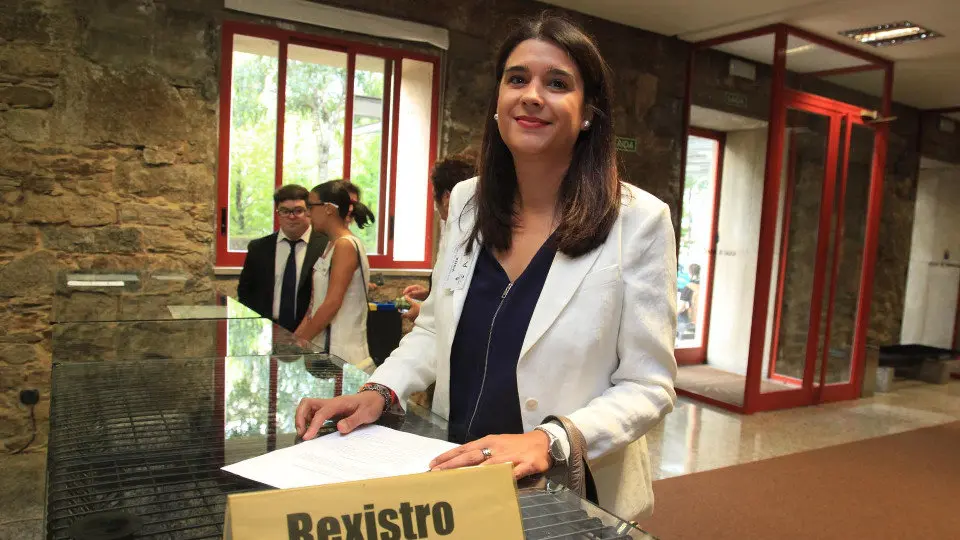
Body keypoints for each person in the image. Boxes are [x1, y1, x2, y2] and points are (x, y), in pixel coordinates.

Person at [295, 14, 677, 520]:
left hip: (562, 491)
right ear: (498, 100)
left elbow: (648, 385)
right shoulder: (467, 202)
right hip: (454, 472)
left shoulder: (639, 221)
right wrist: (379, 391)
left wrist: (551, 439)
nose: (532, 95)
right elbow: (434, 329)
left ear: (588, 112)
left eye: (557, 83)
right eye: (517, 78)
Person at [294, 181, 374, 364]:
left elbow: (332, 303)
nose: (308, 213)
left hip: (342, 354)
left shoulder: (346, 245)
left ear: (329, 208)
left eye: (311, 207)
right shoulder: (331, 244)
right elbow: (315, 303)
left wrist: (301, 342)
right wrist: (294, 339)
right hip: (325, 351)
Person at [237, 184, 328, 332]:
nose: (291, 217)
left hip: (313, 332)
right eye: (285, 211)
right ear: (278, 213)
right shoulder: (259, 248)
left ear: (309, 212)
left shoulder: (326, 246)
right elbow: (246, 293)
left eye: (298, 211)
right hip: (266, 330)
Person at [402, 154, 477, 321]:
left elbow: (461, 307)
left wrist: (422, 312)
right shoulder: (454, 233)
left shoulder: (465, 241)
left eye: (434, 194)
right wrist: (429, 294)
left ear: (447, 197)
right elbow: (455, 290)